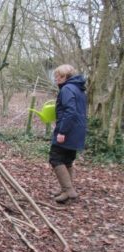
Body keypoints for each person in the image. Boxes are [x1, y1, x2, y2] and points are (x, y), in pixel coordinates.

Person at [49, 64, 87, 203]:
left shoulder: (67, 89)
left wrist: (62, 131)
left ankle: (69, 191)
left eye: (58, 76)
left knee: (55, 158)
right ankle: (66, 190)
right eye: (56, 76)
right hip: (78, 130)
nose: (56, 79)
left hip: (68, 130)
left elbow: (70, 111)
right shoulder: (78, 88)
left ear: (66, 76)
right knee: (67, 160)